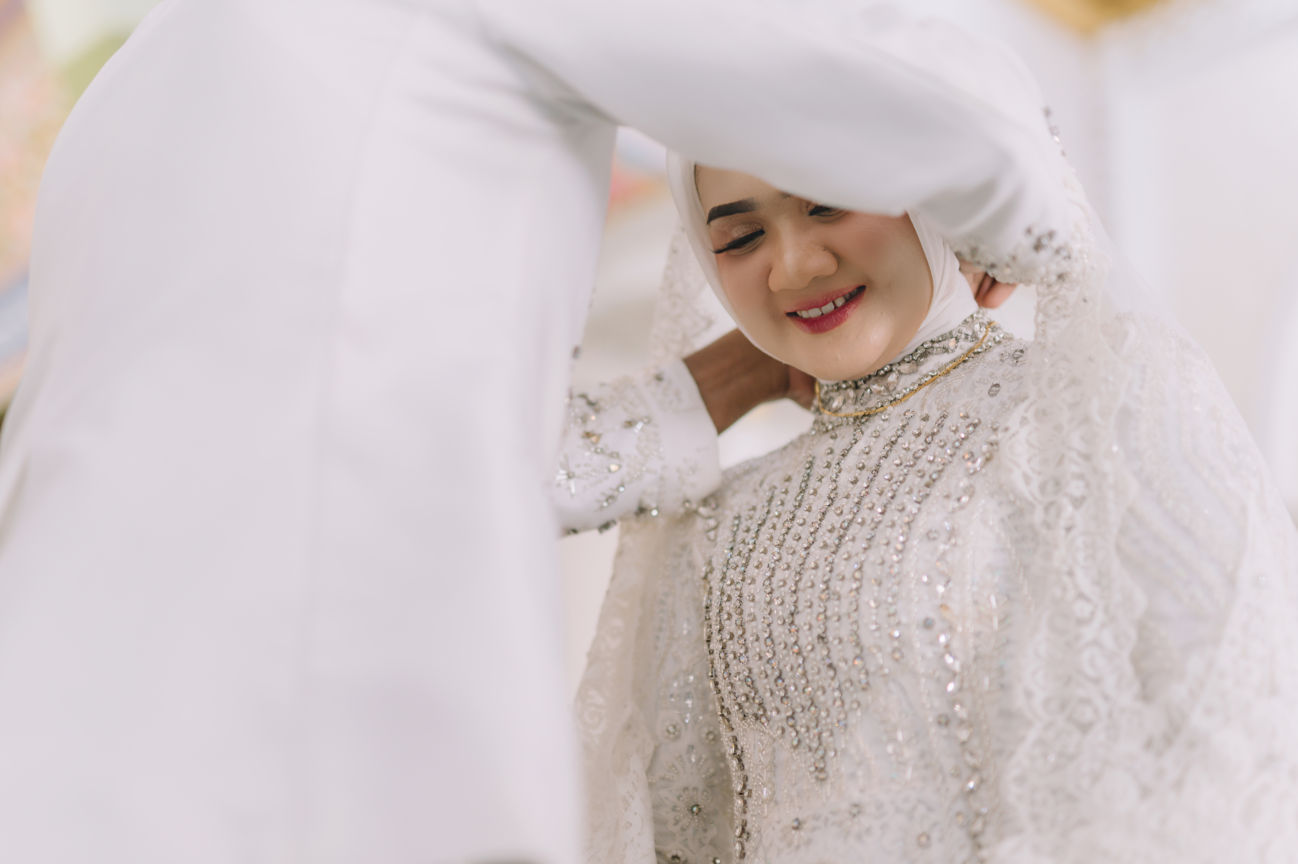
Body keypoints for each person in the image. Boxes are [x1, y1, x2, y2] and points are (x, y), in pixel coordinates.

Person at [0, 3, 1080, 862]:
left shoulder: (134, 88)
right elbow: (898, 91)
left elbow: (377, 439)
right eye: (743, 231)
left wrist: (726, 379)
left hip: (62, 742)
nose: (793, 261)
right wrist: (1022, 226)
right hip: (308, 745)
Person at [563, 33, 1298, 864]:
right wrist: (726, 377)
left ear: (938, 197)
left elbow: (1231, 753)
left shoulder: (1100, 410)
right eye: (739, 239)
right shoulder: (716, 524)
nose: (793, 267)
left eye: (827, 202)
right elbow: (672, 832)